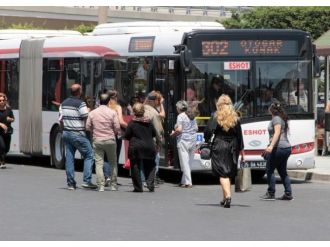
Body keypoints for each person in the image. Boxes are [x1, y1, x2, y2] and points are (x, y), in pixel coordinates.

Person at [204, 94, 245, 208]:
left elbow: (207, 132)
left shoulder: (215, 115)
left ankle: (228, 197)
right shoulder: (235, 116)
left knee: (222, 173)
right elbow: (239, 135)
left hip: (219, 145)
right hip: (233, 146)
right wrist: (242, 151)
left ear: (219, 104)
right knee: (228, 172)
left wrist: (207, 140)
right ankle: (224, 198)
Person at [59, 84, 97, 190]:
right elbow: (86, 118)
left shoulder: (63, 103)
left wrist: (63, 131)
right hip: (78, 134)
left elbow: (61, 119)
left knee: (69, 158)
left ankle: (71, 183)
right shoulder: (81, 103)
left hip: (66, 133)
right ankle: (87, 181)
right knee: (89, 155)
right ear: (79, 92)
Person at [86, 93, 121, 192]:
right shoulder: (112, 112)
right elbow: (117, 127)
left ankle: (100, 186)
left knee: (99, 163)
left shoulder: (92, 113)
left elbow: (87, 127)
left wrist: (94, 131)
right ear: (109, 101)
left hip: (97, 140)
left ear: (98, 101)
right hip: (110, 140)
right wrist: (112, 133)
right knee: (113, 163)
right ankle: (113, 185)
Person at [260, 99, 293, 201]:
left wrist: (271, 146)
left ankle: (271, 193)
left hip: (279, 148)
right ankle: (288, 193)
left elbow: (277, 132)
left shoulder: (276, 119)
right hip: (285, 148)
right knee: (282, 171)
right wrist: (269, 145)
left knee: (269, 169)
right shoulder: (280, 118)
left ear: (271, 110)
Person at [124, 103, 157, 192]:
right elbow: (154, 134)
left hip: (136, 147)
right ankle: (150, 183)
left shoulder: (132, 123)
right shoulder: (149, 122)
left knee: (135, 166)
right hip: (149, 146)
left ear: (134, 111)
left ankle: (138, 187)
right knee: (150, 165)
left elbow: (127, 136)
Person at [170, 100, 198, 188]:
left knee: (184, 163)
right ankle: (183, 181)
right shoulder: (192, 115)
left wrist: (173, 134)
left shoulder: (180, 116)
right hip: (193, 140)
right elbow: (196, 128)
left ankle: (189, 182)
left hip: (183, 141)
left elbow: (179, 130)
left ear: (179, 108)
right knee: (189, 162)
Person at [103, 90, 128, 186]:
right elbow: (121, 122)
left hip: (105, 134)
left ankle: (107, 177)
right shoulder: (117, 107)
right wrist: (130, 127)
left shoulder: (103, 107)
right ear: (116, 98)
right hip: (116, 134)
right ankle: (113, 178)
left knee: (106, 157)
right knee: (115, 156)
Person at [143, 91, 164, 185]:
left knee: (142, 161)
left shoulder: (140, 110)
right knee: (153, 161)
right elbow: (158, 129)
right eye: (157, 100)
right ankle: (151, 180)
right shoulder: (154, 113)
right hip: (151, 141)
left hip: (140, 140)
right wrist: (159, 143)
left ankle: (143, 180)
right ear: (154, 101)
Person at [0, 93, 15, 169]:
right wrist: (1, 124)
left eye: (3, 100)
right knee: (2, 146)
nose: (2, 102)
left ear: (5, 101)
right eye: (0, 100)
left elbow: (13, 119)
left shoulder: (9, 110)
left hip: (7, 132)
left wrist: (10, 119)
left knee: (7, 148)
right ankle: (2, 162)